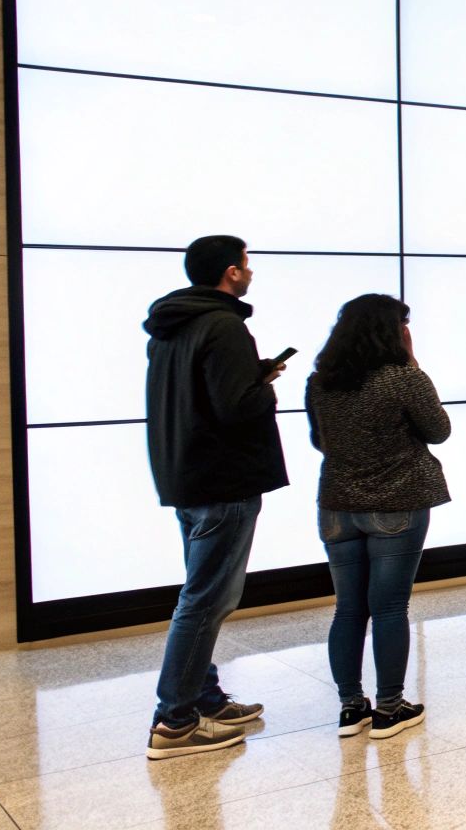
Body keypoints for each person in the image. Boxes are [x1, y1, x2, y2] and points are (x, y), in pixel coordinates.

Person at [142, 235, 289, 760]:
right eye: (247, 263)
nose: (250, 272)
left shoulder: (170, 327)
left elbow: (201, 399)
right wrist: (265, 381)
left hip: (186, 475)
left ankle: (202, 697)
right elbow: (237, 407)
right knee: (207, 600)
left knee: (199, 593)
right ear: (231, 272)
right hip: (225, 479)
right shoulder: (225, 324)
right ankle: (176, 721)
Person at [305, 294, 449, 739]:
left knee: (348, 609)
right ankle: (390, 707)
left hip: (337, 507)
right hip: (396, 503)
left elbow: (319, 441)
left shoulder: (319, 382)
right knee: (389, 608)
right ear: (394, 331)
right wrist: (412, 362)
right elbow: (439, 430)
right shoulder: (401, 379)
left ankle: (351, 707)